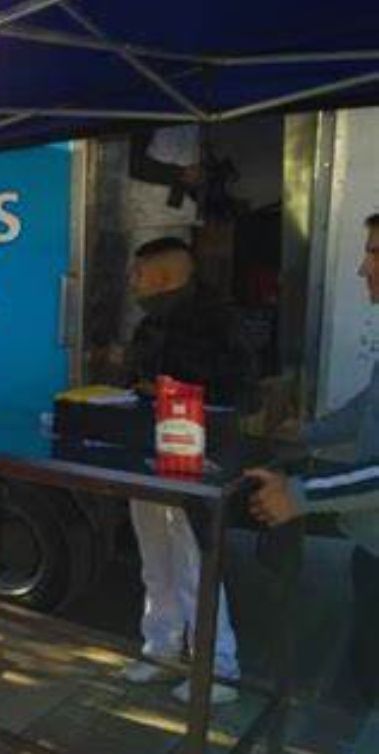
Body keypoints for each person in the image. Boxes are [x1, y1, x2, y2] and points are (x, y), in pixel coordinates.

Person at [247, 213, 379, 707]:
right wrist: (304, 433)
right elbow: (367, 408)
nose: (363, 269)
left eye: (374, 253)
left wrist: (299, 496)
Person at [120, 236, 255, 705]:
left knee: (195, 562)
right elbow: (139, 379)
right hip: (148, 452)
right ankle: (160, 647)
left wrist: (170, 386)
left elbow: (237, 387)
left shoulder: (217, 320)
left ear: (161, 275)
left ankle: (219, 668)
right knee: (154, 557)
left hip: (199, 457)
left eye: (138, 274)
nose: (132, 283)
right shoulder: (151, 321)